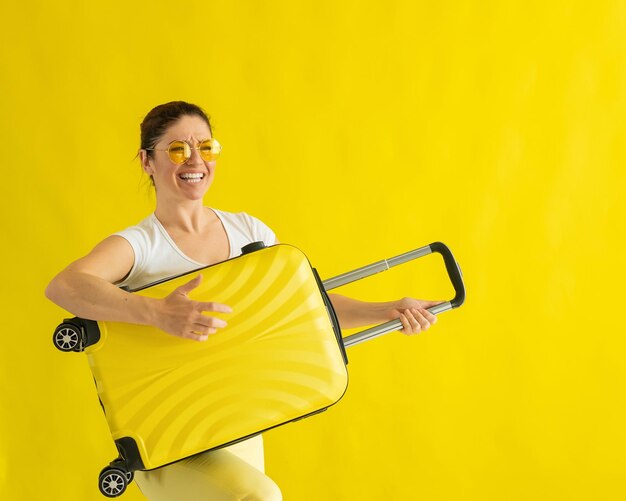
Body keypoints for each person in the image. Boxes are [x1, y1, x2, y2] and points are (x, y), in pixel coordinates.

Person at [45, 101, 440, 501]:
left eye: (206, 147)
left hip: (238, 423)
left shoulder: (247, 231)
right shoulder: (139, 244)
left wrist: (384, 310)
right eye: (178, 149)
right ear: (148, 162)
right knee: (259, 497)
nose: (195, 160)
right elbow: (65, 286)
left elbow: (302, 306)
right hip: (165, 439)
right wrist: (156, 311)